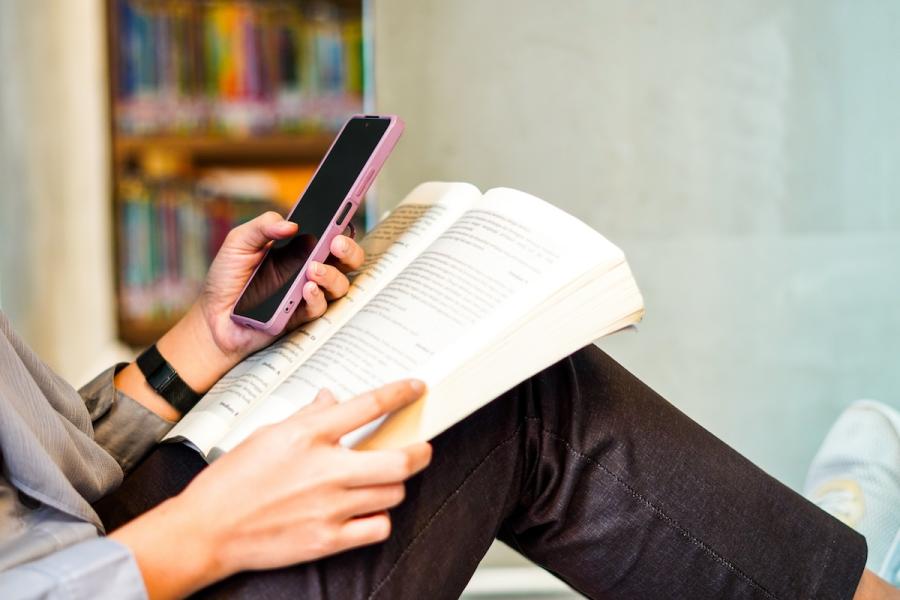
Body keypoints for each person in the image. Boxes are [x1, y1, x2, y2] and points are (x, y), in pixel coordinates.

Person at [0, 211, 896, 600]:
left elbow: (29, 489)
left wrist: (196, 347)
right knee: (519, 406)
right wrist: (209, 531)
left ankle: (797, 568)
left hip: (96, 550)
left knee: (477, 377)